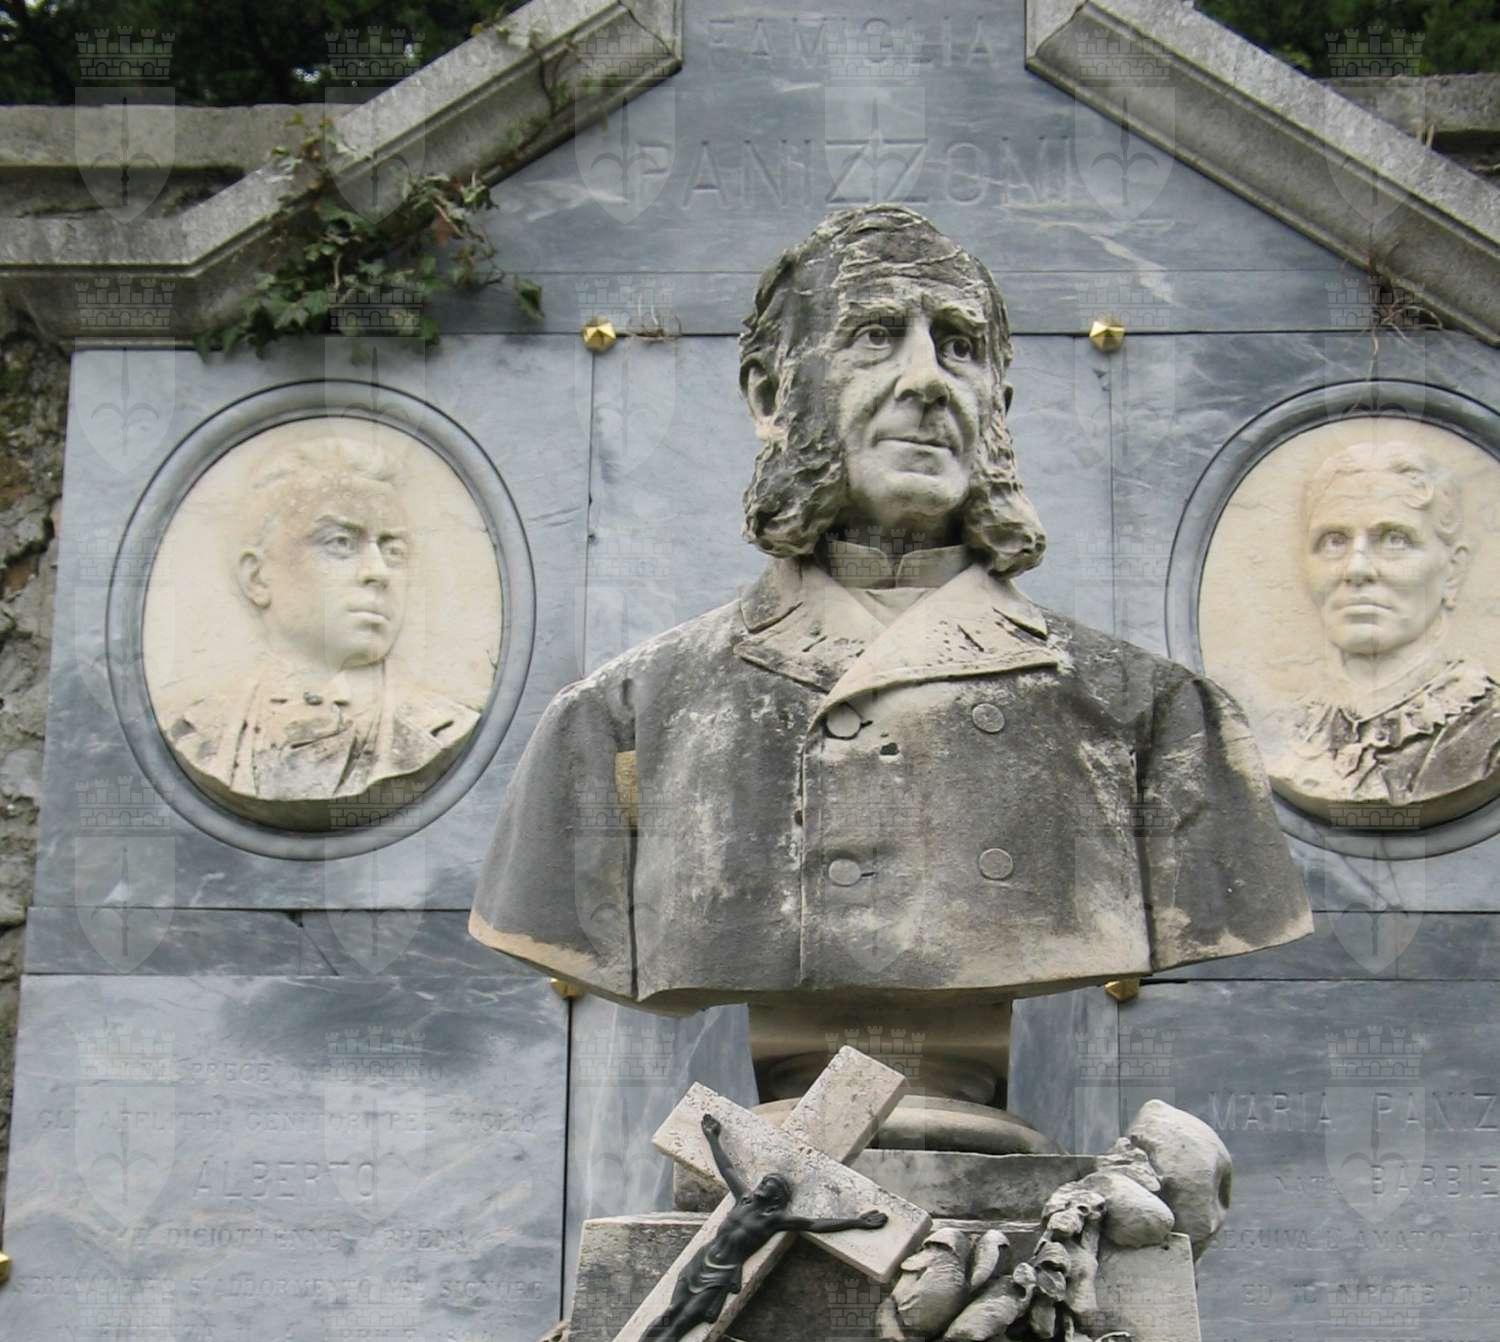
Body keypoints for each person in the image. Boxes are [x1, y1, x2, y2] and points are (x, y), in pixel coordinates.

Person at [470, 205, 1310, 1009]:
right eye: (874, 337)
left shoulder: (1155, 719)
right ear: (770, 396)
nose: (927, 380)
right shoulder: (621, 718)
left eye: (959, 347)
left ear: (997, 407)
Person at [164, 434, 481, 829]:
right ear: (257, 577)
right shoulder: (199, 731)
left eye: (394, 551)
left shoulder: (443, 727)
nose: (378, 572)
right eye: (341, 543)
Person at [1272, 439, 1496, 828]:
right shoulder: (1288, 733)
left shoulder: (1489, 732)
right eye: (1334, 541)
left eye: (1395, 539)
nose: (1356, 569)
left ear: (1453, 570)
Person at [606, 1112, 886, 1342]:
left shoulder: (774, 1220)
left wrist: (857, 1222)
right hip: (699, 1264)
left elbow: (814, 1224)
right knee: (668, 1315)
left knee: (681, 1325)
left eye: (769, 1185)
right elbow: (727, 1169)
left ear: (777, 1198)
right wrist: (712, 1138)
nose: (761, 1185)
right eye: (763, 1182)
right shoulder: (743, 1199)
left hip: (720, 1278)